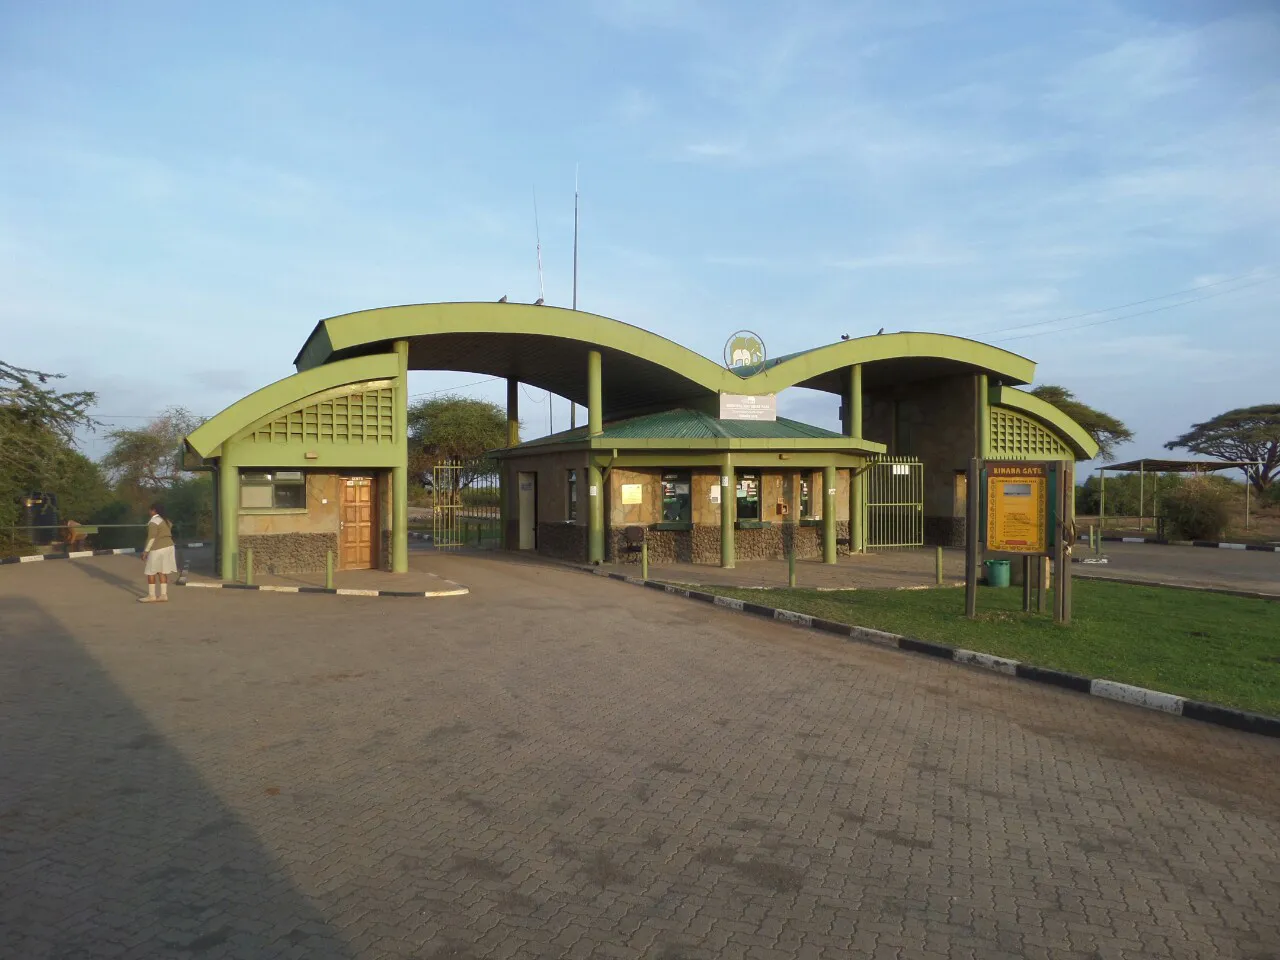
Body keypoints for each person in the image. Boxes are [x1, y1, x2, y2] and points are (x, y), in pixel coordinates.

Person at [139, 503, 177, 603]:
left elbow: (152, 537)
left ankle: (152, 596)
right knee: (162, 570)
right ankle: (163, 595)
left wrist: (145, 551)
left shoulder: (153, 521)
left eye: (150, 510)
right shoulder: (166, 521)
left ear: (154, 511)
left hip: (158, 548)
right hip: (169, 546)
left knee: (150, 571)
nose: (149, 512)